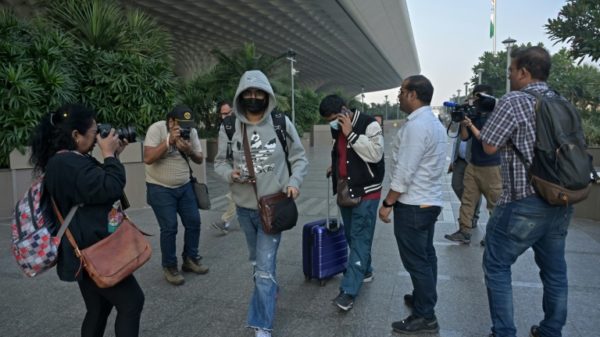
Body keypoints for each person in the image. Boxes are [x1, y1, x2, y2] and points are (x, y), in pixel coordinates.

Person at [480, 46, 574, 337]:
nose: (509, 76)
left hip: (523, 200)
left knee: (496, 264)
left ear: (524, 72)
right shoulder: (562, 102)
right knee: (555, 271)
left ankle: (504, 332)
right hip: (561, 199)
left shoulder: (513, 101)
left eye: (511, 71)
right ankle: (551, 330)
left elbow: (489, 146)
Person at [30, 104, 144, 337]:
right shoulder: (66, 163)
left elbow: (93, 186)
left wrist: (114, 155)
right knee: (132, 302)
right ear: (75, 135)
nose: (97, 138)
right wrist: (109, 155)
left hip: (85, 251)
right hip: (95, 252)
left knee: (98, 308)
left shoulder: (67, 160)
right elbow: (110, 187)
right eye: (94, 132)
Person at [214, 70, 308, 337]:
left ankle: (262, 325)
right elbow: (219, 161)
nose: (253, 98)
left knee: (264, 270)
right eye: (248, 94)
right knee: (257, 262)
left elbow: (300, 157)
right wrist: (228, 173)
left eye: (259, 94)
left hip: (273, 207)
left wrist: (295, 182)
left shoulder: (280, 122)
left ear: (267, 96)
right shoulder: (229, 126)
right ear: (240, 96)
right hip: (244, 208)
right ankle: (270, 288)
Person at [378, 75, 446, 334]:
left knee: (417, 261)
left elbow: (405, 171)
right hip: (429, 201)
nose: (398, 96)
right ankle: (423, 299)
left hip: (414, 204)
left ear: (413, 94)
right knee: (427, 256)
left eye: (401, 91)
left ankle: (425, 316)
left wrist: (388, 203)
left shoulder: (418, 126)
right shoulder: (433, 123)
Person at [319, 95, 384, 311]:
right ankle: (365, 270)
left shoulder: (369, 124)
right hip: (346, 189)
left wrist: (351, 134)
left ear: (344, 111)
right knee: (351, 235)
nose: (332, 123)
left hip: (367, 190)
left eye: (333, 118)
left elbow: (375, 154)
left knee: (360, 238)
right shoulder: (336, 127)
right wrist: (334, 165)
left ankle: (348, 291)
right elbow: (340, 151)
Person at [144, 105, 209, 286]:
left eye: (188, 125)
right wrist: (168, 142)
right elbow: (148, 158)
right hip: (160, 188)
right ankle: (170, 266)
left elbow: (199, 158)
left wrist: (189, 150)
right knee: (169, 227)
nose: (185, 129)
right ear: (170, 121)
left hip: (184, 185)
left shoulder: (191, 132)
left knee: (194, 222)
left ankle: (190, 259)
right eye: (181, 125)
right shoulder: (156, 129)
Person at [445, 84, 501, 244]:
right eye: (475, 97)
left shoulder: (496, 117)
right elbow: (464, 138)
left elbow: (486, 140)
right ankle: (464, 231)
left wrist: (470, 125)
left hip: (491, 166)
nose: (475, 100)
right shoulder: (475, 115)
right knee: (468, 200)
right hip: (473, 164)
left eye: (479, 97)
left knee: (494, 204)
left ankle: (492, 235)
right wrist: (464, 123)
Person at [211, 100, 237, 234]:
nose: (225, 116)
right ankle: (225, 221)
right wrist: (229, 173)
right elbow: (221, 157)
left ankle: (225, 221)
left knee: (236, 194)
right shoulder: (225, 127)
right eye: (222, 114)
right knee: (236, 193)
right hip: (237, 167)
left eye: (228, 113)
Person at [448, 137, 482, 229]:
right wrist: (452, 160)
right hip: (459, 159)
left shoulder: (476, 123)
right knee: (456, 185)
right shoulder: (461, 123)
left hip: (473, 160)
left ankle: (472, 216)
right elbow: (456, 141)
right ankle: (468, 211)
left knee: (475, 190)